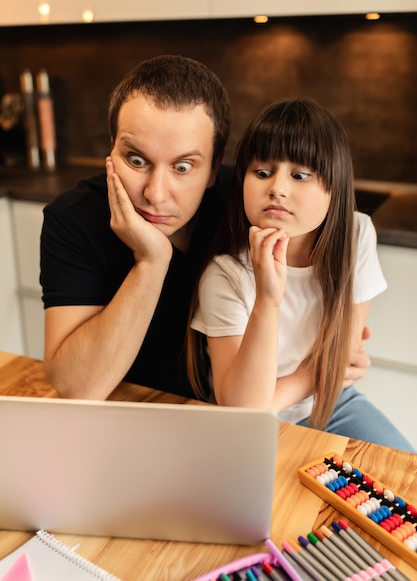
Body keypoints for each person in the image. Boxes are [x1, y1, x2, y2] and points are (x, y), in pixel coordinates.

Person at [188, 98, 415, 451]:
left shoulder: (356, 236)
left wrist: (310, 382)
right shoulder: (226, 275)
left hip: (330, 403)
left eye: (299, 175)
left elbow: (343, 352)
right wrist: (267, 299)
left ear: (334, 186)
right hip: (247, 423)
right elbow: (243, 411)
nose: (277, 187)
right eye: (262, 172)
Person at [40, 54, 233, 400]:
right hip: (133, 406)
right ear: (111, 149)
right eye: (137, 160)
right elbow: (76, 386)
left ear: (214, 170)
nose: (155, 193)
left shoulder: (244, 201)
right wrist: (152, 262)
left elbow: (342, 227)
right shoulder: (72, 219)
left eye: (183, 167)